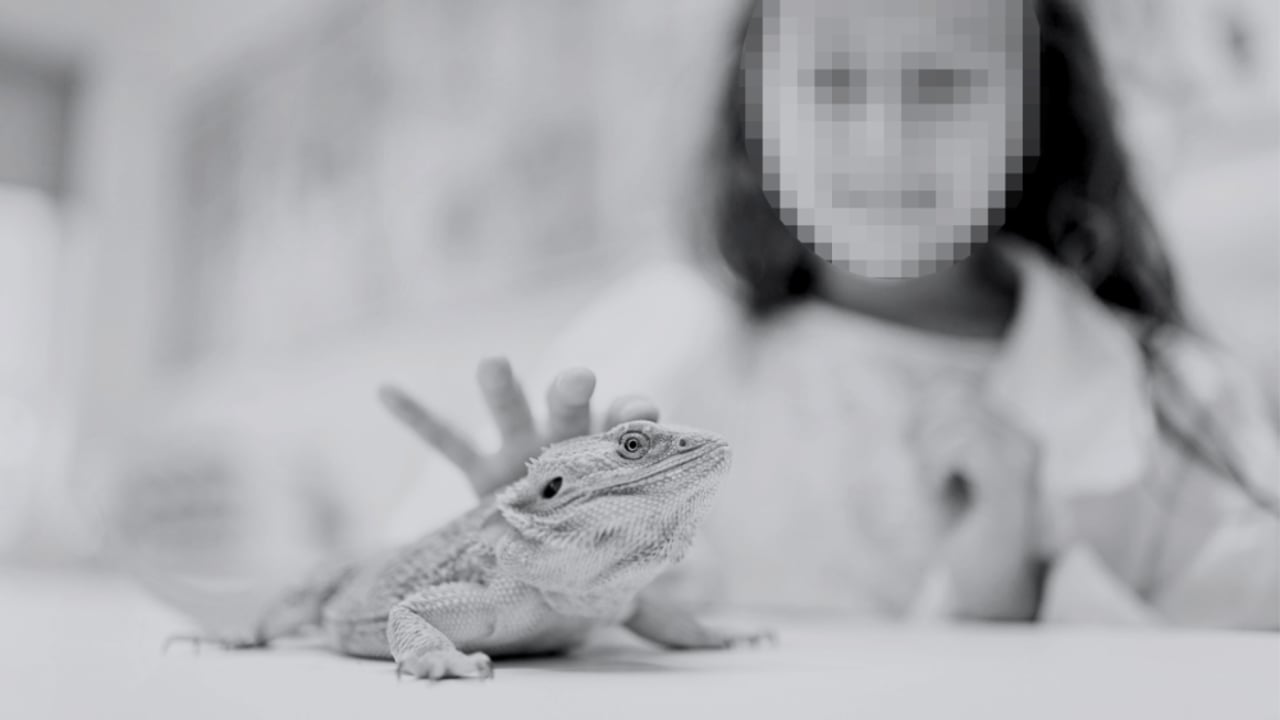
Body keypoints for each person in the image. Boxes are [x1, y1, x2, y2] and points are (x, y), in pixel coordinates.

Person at [383, 0, 1279, 628]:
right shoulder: (655, 351)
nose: (884, 138)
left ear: (1038, 102)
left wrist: (1017, 601)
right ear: (753, 104)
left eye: (944, 81)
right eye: (831, 79)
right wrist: (507, 558)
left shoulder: (1174, 399)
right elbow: (398, 624)